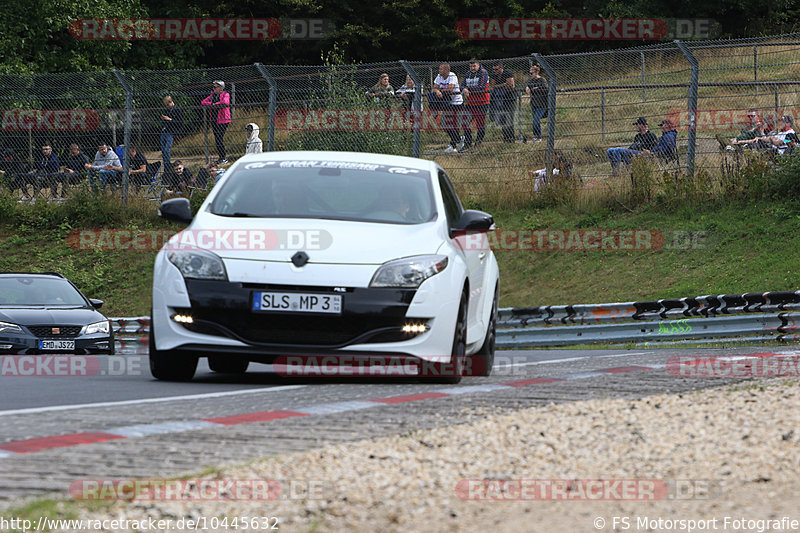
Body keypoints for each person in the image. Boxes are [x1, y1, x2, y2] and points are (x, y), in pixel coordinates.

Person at [431, 63, 463, 153]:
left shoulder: (452, 76)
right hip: (446, 103)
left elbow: (451, 89)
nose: (439, 71)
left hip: (456, 103)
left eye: (441, 69)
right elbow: (434, 88)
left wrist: (439, 91)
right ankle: (459, 139)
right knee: (444, 123)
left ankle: (453, 145)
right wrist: (437, 91)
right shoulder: (439, 76)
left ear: (446, 70)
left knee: (454, 124)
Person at [460, 59, 490, 151]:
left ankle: (478, 142)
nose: (472, 68)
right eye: (470, 66)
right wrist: (464, 89)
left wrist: (467, 89)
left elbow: (481, 87)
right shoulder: (467, 74)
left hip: (482, 102)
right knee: (465, 122)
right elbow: (462, 85)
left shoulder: (483, 73)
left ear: (478, 65)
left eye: (474, 66)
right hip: (470, 103)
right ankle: (468, 143)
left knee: (480, 124)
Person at [201, 80, 231, 165]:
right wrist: (212, 104)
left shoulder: (225, 94)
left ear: (221, 88)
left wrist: (214, 104)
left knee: (219, 138)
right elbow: (203, 102)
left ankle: (223, 157)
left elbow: (225, 102)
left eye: (215, 87)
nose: (213, 89)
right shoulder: (212, 95)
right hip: (214, 119)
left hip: (223, 119)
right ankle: (221, 157)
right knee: (217, 139)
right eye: (213, 87)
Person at [490, 61, 516, 143]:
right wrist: (504, 84)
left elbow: (511, 86)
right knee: (502, 119)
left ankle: (511, 139)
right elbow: (493, 86)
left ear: (501, 68)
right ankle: (506, 138)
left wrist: (500, 86)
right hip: (499, 99)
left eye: (496, 69)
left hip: (509, 99)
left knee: (509, 119)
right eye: (493, 69)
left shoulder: (508, 73)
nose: (495, 71)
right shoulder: (494, 74)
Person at [526, 64, 548, 142]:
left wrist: (535, 89)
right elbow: (528, 88)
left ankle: (539, 137)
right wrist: (529, 88)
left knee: (536, 120)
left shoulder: (542, 80)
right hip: (534, 103)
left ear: (537, 72)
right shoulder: (531, 81)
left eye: (532, 73)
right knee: (535, 121)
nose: (530, 75)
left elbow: (545, 89)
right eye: (530, 73)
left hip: (542, 104)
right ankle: (535, 136)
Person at [160, 95, 183, 168]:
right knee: (163, 150)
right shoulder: (167, 110)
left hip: (171, 131)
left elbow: (180, 122)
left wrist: (169, 119)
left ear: (170, 102)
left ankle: (168, 165)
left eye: (167, 104)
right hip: (165, 130)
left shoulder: (177, 109)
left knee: (167, 149)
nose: (167, 106)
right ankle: (166, 164)